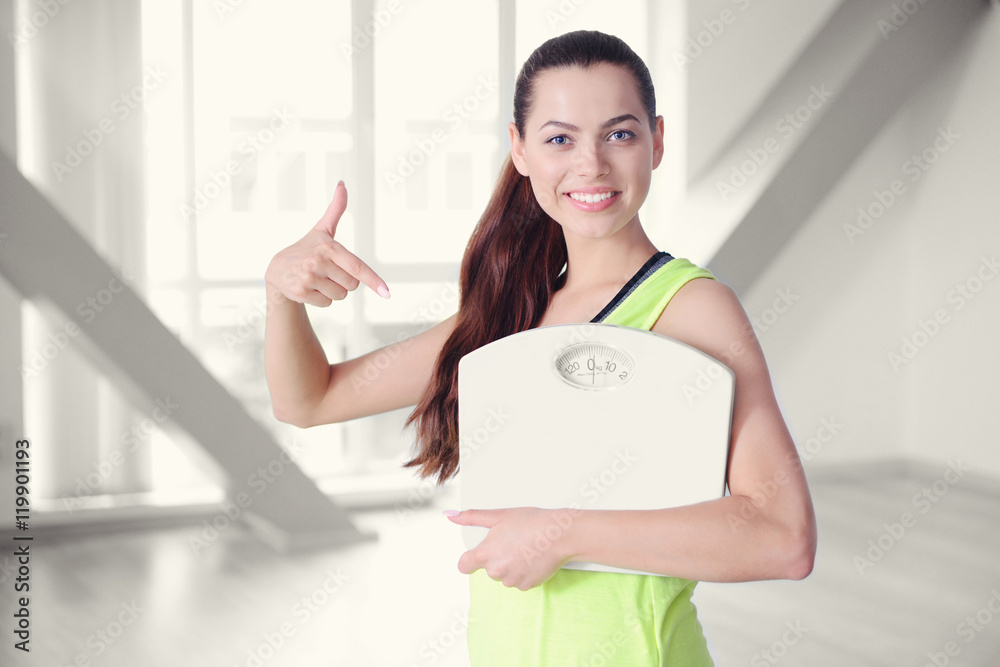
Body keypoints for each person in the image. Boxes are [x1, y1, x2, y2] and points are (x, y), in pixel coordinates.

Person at [264, 29, 816, 667]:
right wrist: (280, 293)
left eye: (619, 134)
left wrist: (563, 534)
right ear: (520, 150)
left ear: (657, 141)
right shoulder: (510, 316)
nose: (591, 165)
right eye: (560, 139)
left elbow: (783, 538)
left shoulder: (691, 308)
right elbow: (309, 400)